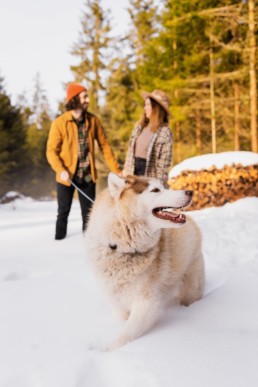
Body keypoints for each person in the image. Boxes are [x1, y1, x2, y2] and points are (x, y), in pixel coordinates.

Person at [46, 83, 121, 240]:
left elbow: (105, 147)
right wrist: (61, 170)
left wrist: (117, 171)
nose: (88, 99)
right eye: (84, 96)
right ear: (74, 99)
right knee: (63, 210)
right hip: (66, 177)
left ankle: (88, 242)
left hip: (87, 176)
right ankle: (59, 241)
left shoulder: (93, 121)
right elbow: (51, 152)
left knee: (88, 213)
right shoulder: (59, 123)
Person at [123, 89, 173, 187]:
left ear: (156, 108)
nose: (145, 108)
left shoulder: (165, 132)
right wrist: (126, 171)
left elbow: (163, 165)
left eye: (148, 105)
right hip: (133, 175)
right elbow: (130, 153)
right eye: (145, 105)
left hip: (149, 178)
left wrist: (158, 186)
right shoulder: (139, 127)